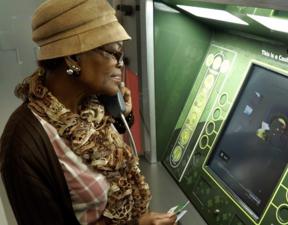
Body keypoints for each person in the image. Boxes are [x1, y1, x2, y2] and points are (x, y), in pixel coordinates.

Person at [0, 0, 176, 225]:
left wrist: (122, 116)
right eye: (114, 52)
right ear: (73, 58)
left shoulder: (92, 101)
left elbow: (98, 151)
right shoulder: (23, 145)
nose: (120, 64)